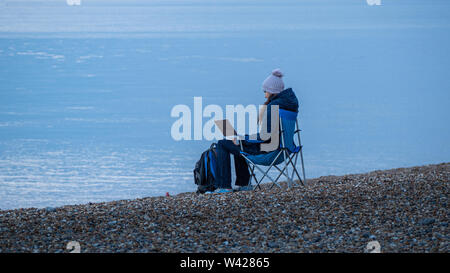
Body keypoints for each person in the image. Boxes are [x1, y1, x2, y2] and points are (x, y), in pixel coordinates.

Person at [212, 68, 299, 193]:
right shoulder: (290, 105)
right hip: (285, 148)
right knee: (239, 146)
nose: (264, 94)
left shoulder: (273, 107)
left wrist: (243, 138)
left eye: (265, 91)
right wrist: (243, 139)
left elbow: (264, 136)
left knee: (223, 143)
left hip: (271, 152)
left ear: (272, 92)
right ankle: (244, 184)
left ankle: (224, 186)